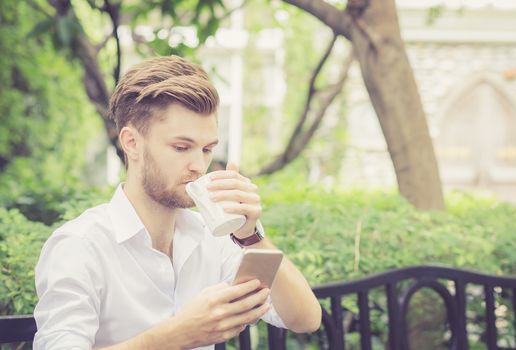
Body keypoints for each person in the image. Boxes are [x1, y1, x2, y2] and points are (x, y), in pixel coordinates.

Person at [33, 55, 322, 349]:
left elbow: (304, 319)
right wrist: (177, 335)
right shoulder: (79, 245)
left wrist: (252, 236)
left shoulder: (214, 237)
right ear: (131, 143)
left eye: (207, 149)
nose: (199, 165)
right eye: (181, 147)